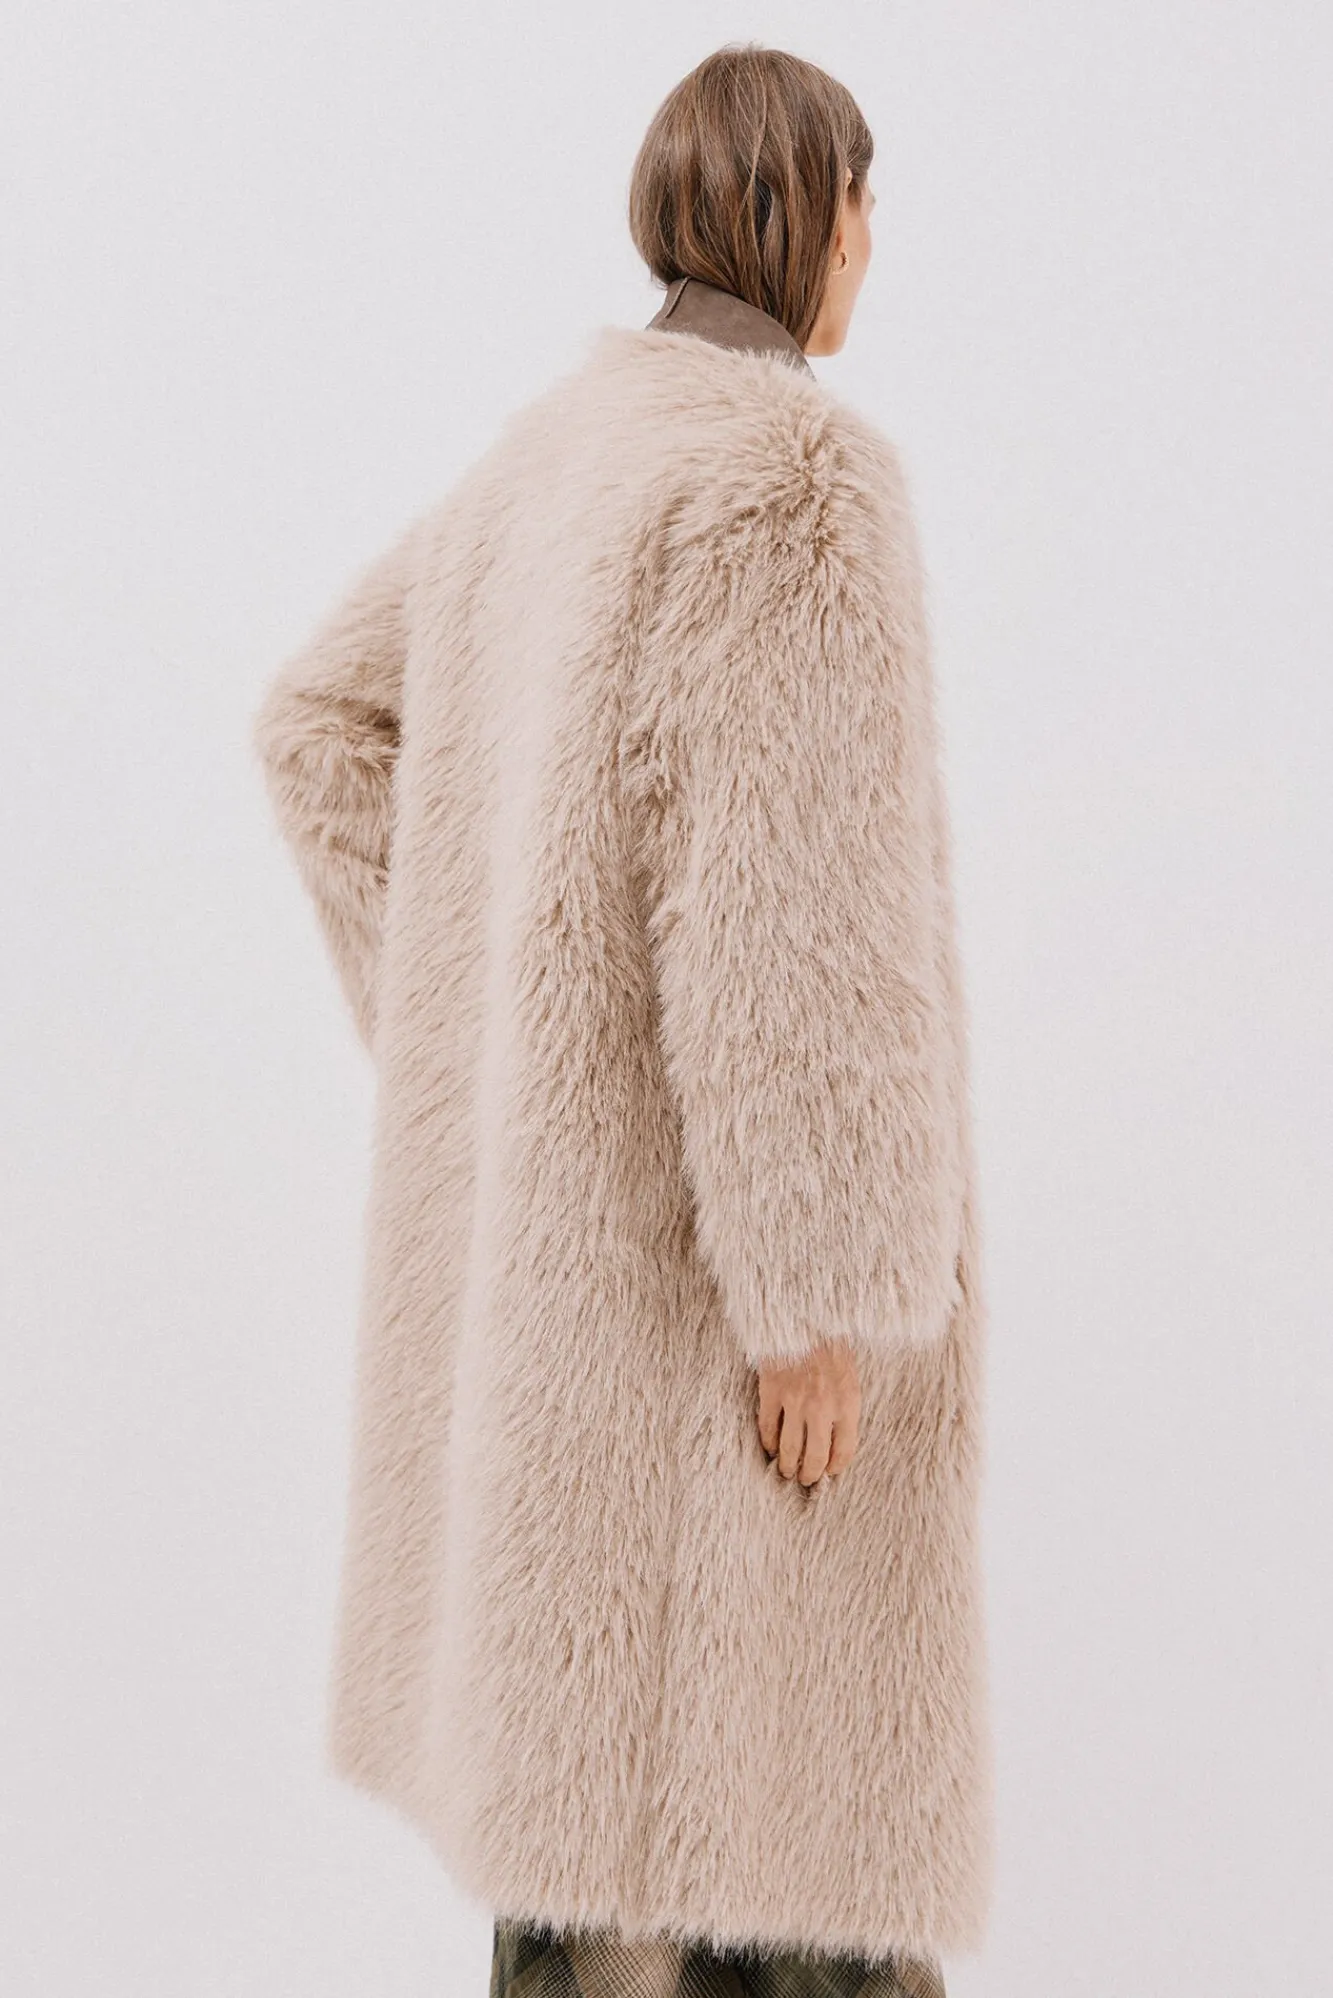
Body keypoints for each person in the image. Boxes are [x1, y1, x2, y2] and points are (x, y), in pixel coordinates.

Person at [251, 41, 992, 1998]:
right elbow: (791, 915)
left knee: (584, 1860)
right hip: (721, 1338)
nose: (872, 243)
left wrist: (493, 1056)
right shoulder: (792, 481)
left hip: (555, 1344)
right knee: (788, 1868)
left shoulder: (543, 467)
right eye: (866, 201)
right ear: (812, 211)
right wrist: (819, 1293)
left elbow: (320, 725)